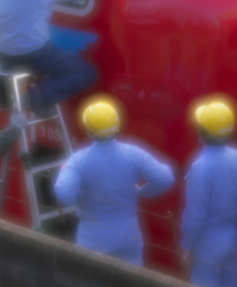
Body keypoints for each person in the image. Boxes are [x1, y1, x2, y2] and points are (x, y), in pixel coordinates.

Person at [53, 99, 174, 265]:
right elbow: (165, 178)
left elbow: (64, 194)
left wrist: (65, 172)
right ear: (117, 125)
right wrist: (140, 192)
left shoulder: (79, 159)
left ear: (89, 129)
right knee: (130, 286)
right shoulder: (133, 153)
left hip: (93, 237)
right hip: (128, 234)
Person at [180, 101, 237, 287]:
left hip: (207, 243)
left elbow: (195, 214)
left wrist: (187, 247)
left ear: (202, 132)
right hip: (231, 238)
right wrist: (234, 223)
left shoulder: (201, 167)